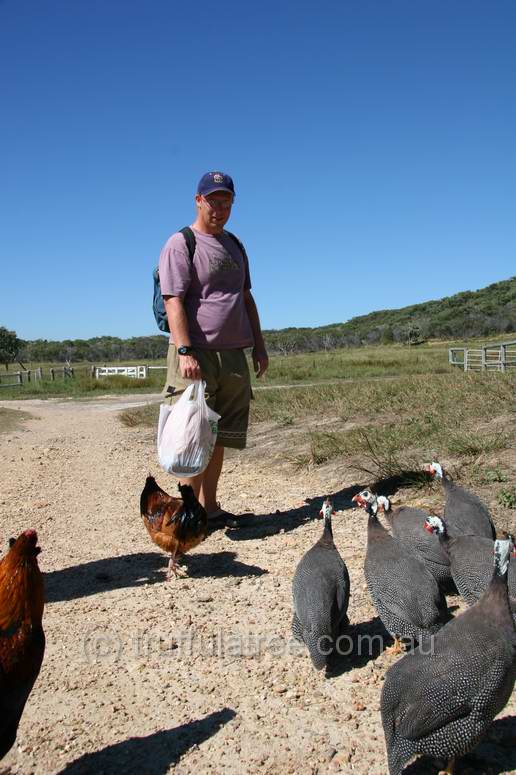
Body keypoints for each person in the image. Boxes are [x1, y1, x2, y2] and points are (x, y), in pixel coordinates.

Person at [158, 171, 269, 527]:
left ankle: (211, 508)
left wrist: (259, 346)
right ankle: (186, 518)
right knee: (192, 435)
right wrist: (185, 350)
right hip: (196, 352)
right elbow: (173, 299)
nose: (219, 208)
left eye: (226, 202)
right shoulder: (181, 243)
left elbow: (246, 298)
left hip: (233, 352)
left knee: (218, 435)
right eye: (213, 201)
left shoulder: (236, 245)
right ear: (198, 200)